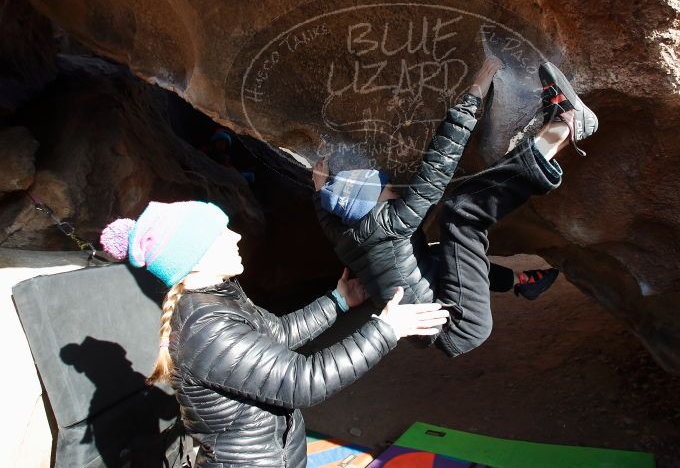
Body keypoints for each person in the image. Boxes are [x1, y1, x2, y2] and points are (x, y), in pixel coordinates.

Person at [99, 201, 448, 467]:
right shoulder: (205, 327)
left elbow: (276, 334)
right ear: (195, 255)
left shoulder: (219, 295)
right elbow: (303, 380)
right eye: (222, 233)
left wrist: (339, 301)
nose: (236, 235)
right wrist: (387, 330)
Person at [312, 59, 598, 357]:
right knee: (460, 215)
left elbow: (326, 219)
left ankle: (523, 281)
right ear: (371, 207)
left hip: (436, 308)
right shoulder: (391, 223)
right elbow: (439, 160)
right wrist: (475, 90)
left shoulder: (347, 236)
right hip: (458, 323)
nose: (393, 188)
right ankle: (565, 126)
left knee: (444, 251)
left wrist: (320, 190)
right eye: (383, 189)